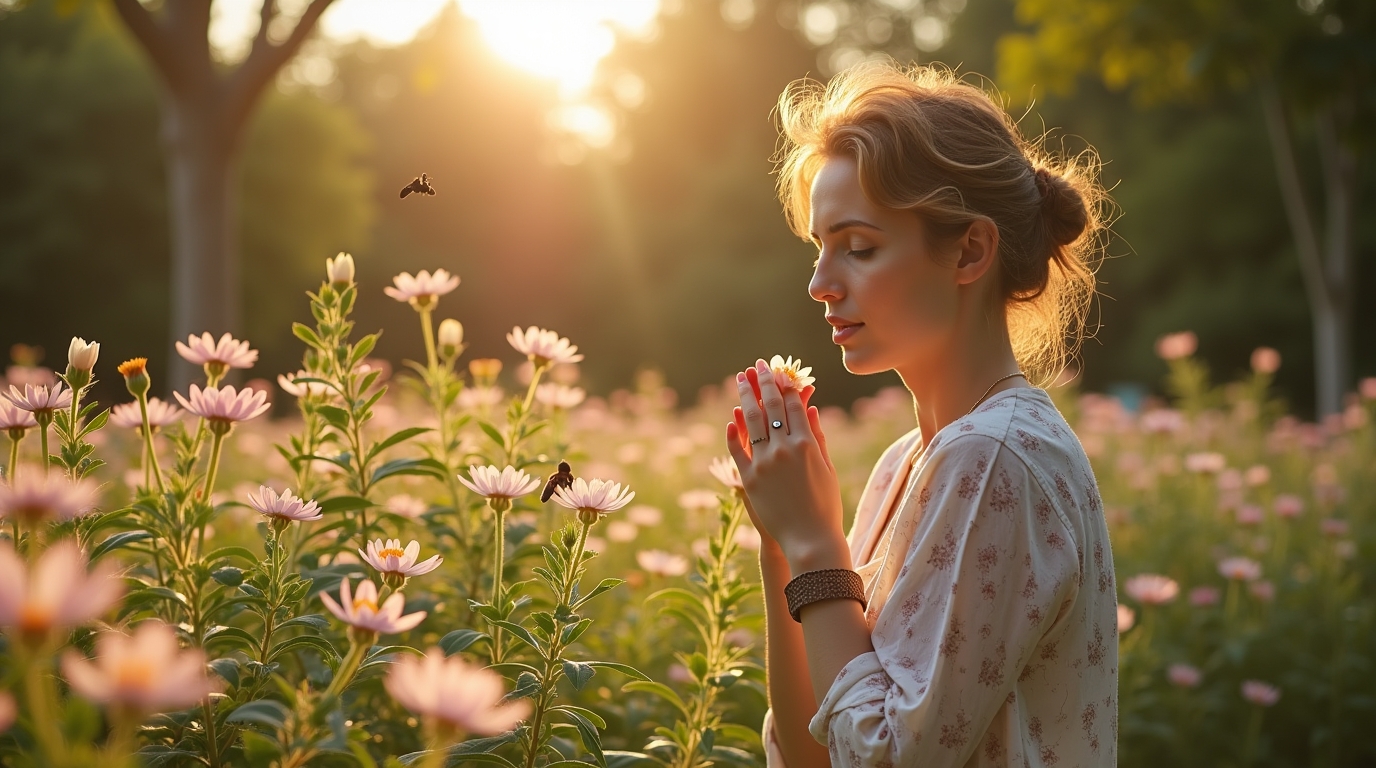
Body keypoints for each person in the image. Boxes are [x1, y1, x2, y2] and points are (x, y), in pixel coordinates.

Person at [724, 62, 1117, 767]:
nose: (819, 284)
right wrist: (781, 544)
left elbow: (892, 759)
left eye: (860, 248)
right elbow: (813, 753)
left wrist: (817, 545)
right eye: (820, 249)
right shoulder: (906, 464)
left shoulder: (996, 457)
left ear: (969, 250)